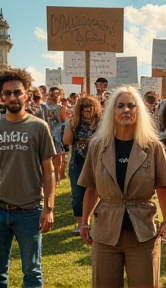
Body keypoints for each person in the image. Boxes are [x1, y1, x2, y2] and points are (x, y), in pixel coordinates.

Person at [78, 86, 166, 288]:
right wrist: (84, 222)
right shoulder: (97, 146)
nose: (126, 110)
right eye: (120, 106)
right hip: (106, 231)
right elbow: (91, 188)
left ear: (139, 111)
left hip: (143, 231)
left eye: (132, 105)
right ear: (112, 111)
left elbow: (163, 188)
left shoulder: (153, 146)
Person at [0, 69, 56, 288]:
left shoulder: (38, 127)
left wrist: (49, 208)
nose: (13, 97)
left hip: (29, 211)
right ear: (2, 97)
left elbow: (49, 171)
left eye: (17, 92)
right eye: (7, 93)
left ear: (26, 94)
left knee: (32, 273)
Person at [62, 96, 102, 234]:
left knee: (99, 192)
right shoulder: (74, 123)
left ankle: (96, 222)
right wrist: (71, 125)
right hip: (78, 162)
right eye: (84, 109)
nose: (87, 111)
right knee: (78, 194)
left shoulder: (101, 122)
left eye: (90, 108)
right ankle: (81, 224)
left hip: (98, 162)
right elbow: (66, 141)